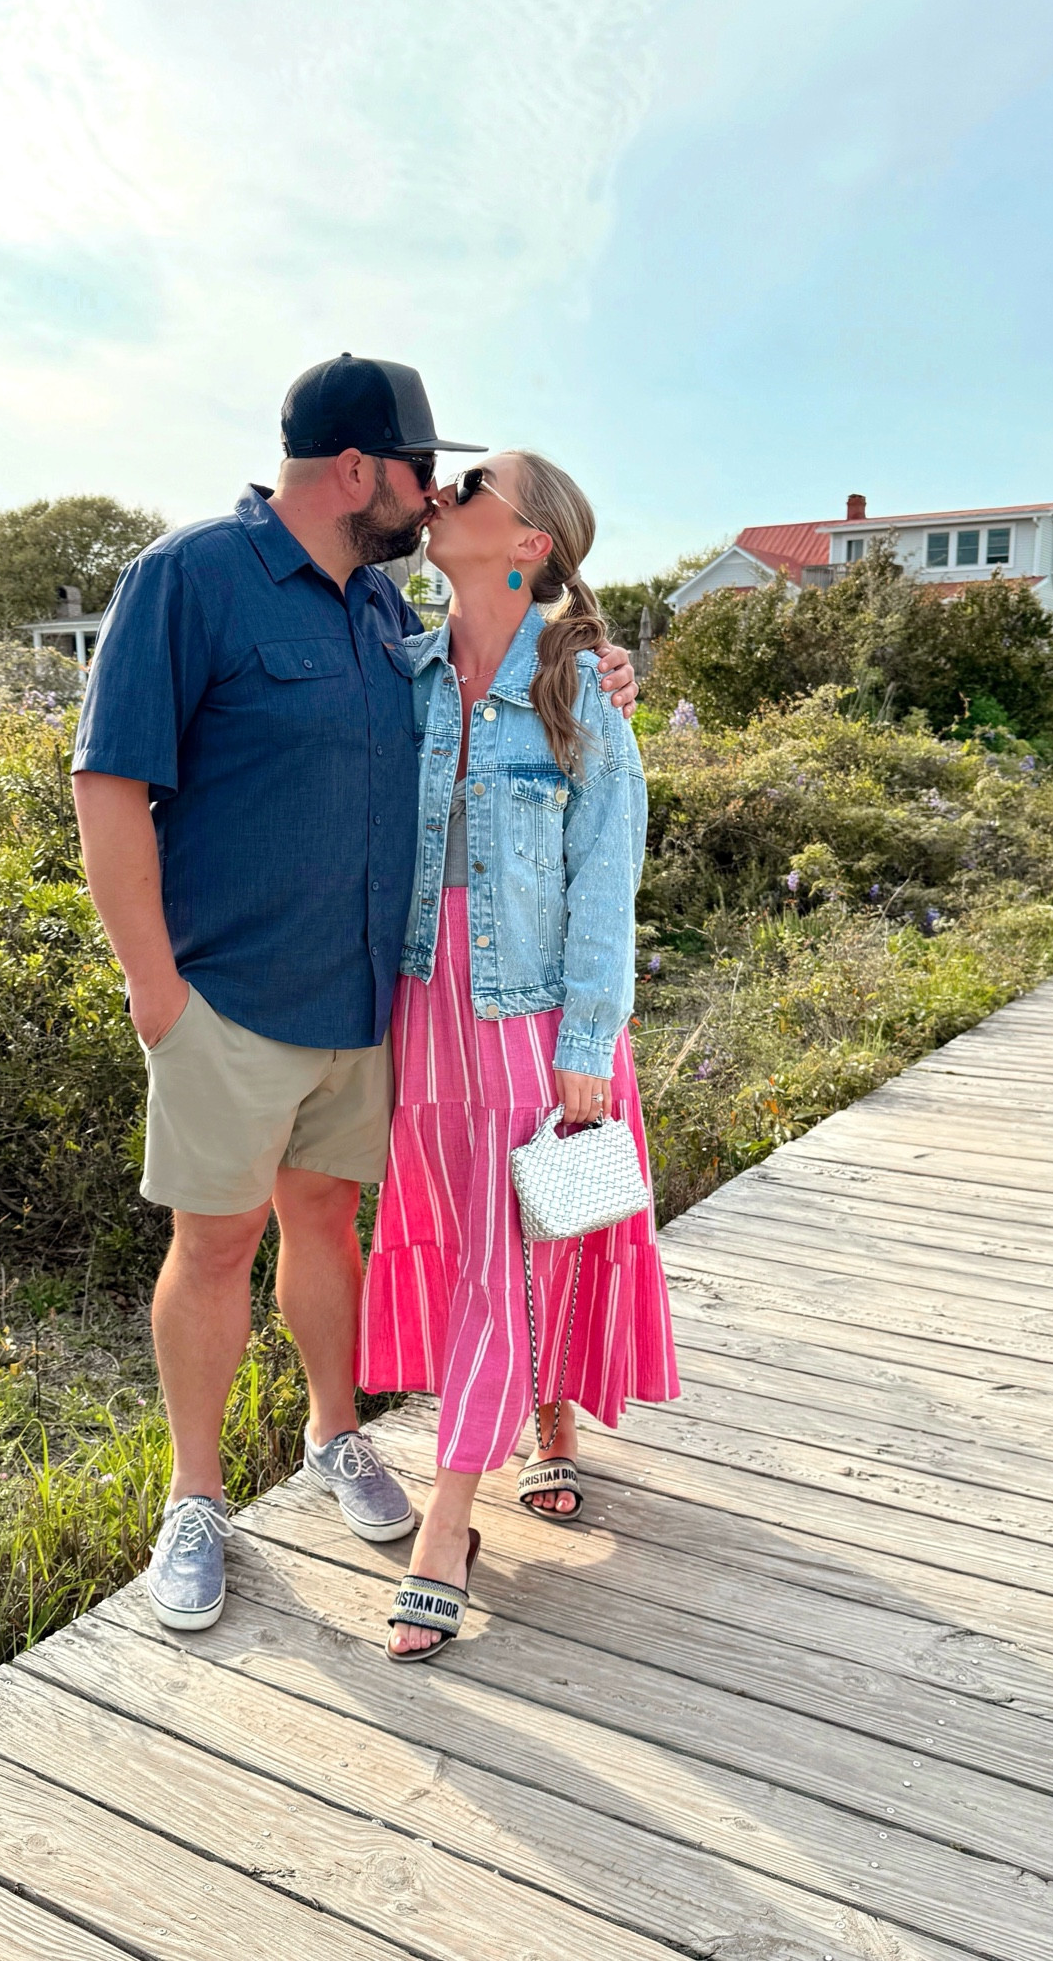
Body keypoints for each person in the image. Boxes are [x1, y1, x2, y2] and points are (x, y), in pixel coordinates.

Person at [70, 358, 638, 1634]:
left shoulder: (389, 623)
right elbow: (109, 788)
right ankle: (197, 1497)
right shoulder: (187, 577)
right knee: (213, 1246)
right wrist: (154, 992)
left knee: (330, 1233)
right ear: (355, 473)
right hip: (224, 1001)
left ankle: (336, 1437)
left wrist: (598, 669)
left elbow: (517, 695)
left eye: (452, 478)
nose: (430, 493)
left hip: (373, 1011)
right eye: (419, 470)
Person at [358, 451, 679, 1662]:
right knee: (479, 1230)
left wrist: (590, 1039)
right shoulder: (401, 673)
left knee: (517, 1232)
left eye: (473, 482)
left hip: (532, 1006)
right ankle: (545, 1417)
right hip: (417, 996)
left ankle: (448, 1525)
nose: (441, 490)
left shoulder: (582, 695)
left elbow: (610, 875)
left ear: (527, 541)